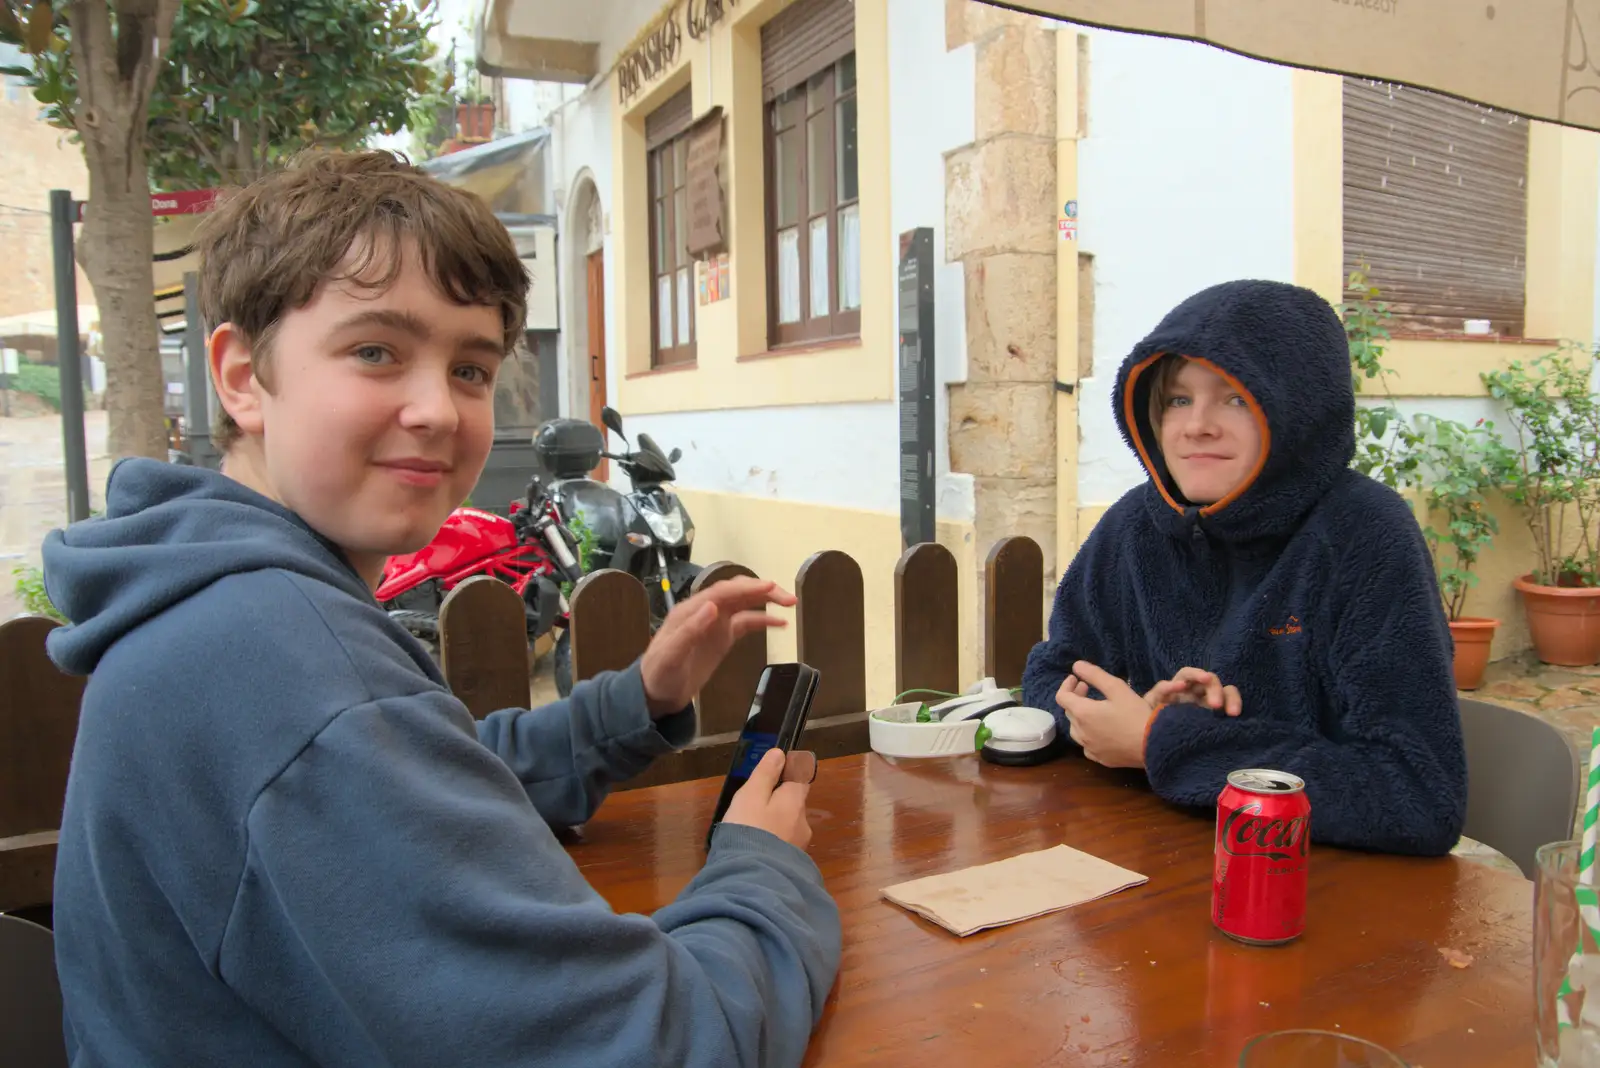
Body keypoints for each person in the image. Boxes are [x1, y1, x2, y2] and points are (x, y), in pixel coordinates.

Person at [41, 151, 840, 1067]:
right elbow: (660, 1045)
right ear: (240, 376)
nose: (437, 409)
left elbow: (418, 786)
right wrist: (759, 864)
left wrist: (640, 701)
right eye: (376, 350)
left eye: (470, 367)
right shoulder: (278, 659)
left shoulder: (223, 603)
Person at [1020, 279, 1467, 857]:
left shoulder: (1364, 533)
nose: (1195, 424)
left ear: (1299, 411)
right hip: (1149, 872)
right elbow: (1052, 674)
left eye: (1234, 397)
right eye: (1178, 399)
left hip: (1327, 898)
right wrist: (1111, 717)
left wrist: (1165, 741)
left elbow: (1417, 795)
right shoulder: (1134, 526)